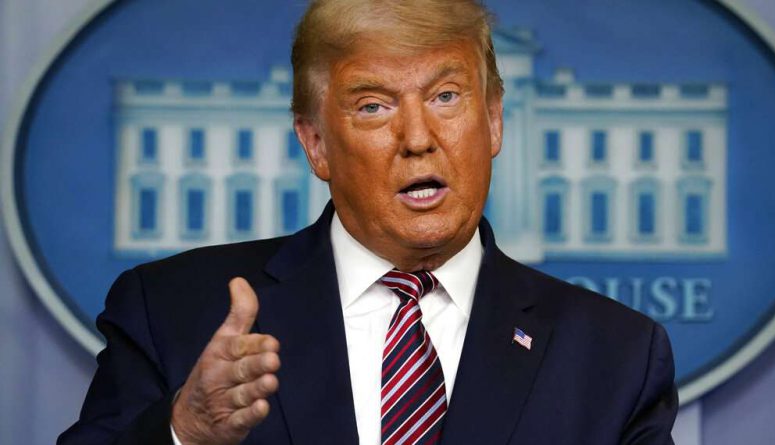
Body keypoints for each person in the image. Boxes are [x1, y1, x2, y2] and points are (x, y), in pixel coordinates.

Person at [59, 0, 678, 444]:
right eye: (374, 106)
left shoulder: (616, 354)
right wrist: (184, 431)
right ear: (316, 144)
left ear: (493, 121)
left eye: (446, 96)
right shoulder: (173, 312)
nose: (418, 138)